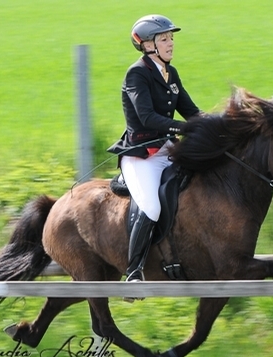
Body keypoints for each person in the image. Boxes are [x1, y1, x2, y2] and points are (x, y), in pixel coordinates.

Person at [107, 14, 201, 284]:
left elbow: (191, 112)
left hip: (169, 150)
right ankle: (134, 271)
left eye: (171, 38)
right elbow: (147, 117)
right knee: (151, 207)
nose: (170, 43)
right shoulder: (137, 73)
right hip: (142, 155)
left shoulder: (171, 73)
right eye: (164, 39)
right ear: (147, 45)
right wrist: (183, 129)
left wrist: (219, 124)